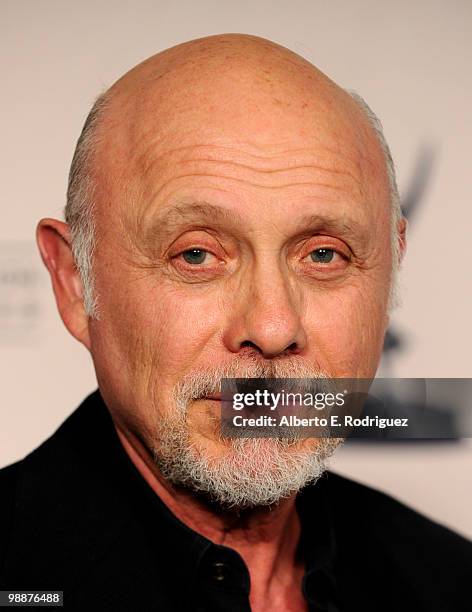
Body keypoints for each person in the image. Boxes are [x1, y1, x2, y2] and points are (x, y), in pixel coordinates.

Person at [0, 34, 470, 612]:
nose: (273, 329)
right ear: (75, 281)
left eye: (324, 254)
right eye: (196, 254)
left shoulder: (449, 582)